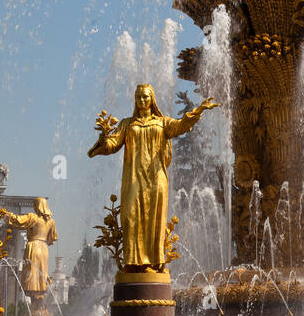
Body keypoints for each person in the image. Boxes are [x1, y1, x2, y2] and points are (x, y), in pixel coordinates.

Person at [88, 84, 218, 271]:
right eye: (139, 97)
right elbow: (112, 144)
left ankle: (153, 261)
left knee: (153, 219)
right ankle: (133, 262)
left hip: (157, 178)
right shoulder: (127, 124)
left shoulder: (162, 122)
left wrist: (199, 110)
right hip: (134, 178)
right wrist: (103, 138)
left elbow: (181, 126)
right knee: (131, 216)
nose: (142, 100)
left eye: (145, 97)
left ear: (152, 99)